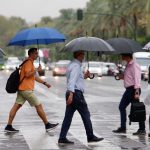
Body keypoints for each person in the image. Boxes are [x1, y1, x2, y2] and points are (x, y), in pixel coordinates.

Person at [5, 48, 58, 133]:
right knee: (39, 106)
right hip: (26, 90)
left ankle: (8, 125)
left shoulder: (29, 63)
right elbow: (27, 74)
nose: (37, 55)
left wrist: (44, 83)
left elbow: (34, 77)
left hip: (22, 89)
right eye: (36, 54)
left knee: (16, 107)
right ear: (32, 54)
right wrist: (37, 70)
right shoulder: (29, 62)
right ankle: (47, 125)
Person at [58, 50, 104, 145]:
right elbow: (72, 81)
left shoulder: (72, 64)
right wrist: (71, 94)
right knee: (86, 115)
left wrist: (84, 76)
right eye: (82, 54)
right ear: (79, 55)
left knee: (68, 117)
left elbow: (77, 79)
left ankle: (62, 137)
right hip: (75, 94)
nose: (83, 57)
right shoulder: (76, 66)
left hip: (71, 93)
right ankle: (90, 136)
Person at [113, 53, 146, 135]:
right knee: (122, 107)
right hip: (128, 90)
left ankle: (142, 129)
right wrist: (121, 77)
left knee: (137, 109)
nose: (121, 57)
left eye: (122, 55)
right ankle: (123, 127)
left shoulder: (135, 65)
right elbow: (129, 77)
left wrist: (137, 92)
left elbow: (137, 79)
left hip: (133, 89)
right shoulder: (128, 65)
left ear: (127, 56)